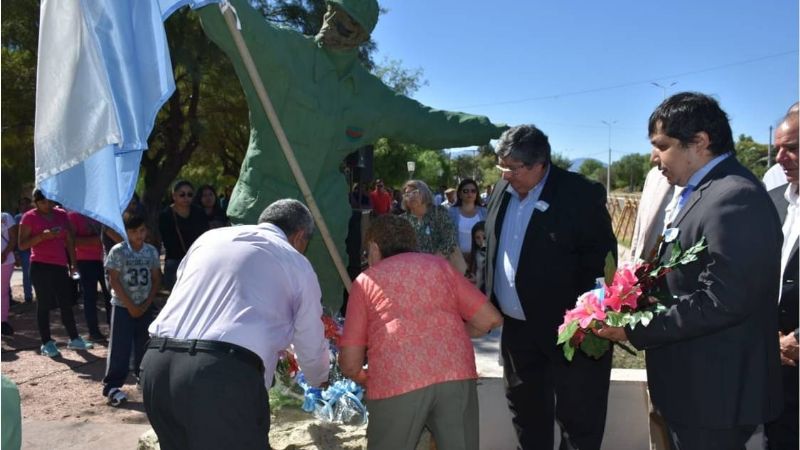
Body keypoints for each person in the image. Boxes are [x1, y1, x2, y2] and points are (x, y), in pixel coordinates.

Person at [197, 0, 505, 310]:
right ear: (326, 11)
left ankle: (325, 353)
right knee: (244, 304)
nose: (344, 26)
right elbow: (230, 19)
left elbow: (427, 122)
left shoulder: (371, 97)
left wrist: (489, 131)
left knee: (321, 306)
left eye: (354, 23)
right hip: (262, 204)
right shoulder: (283, 52)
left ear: (364, 36)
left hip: (321, 216)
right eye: (340, 14)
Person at [596, 92, 783, 450]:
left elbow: (724, 299)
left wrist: (635, 329)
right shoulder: (703, 192)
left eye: (661, 146)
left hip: (716, 396)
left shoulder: (734, 196)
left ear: (699, 142)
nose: (654, 158)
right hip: (694, 390)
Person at [141, 199, 330, 450]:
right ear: (300, 236)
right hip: (221, 376)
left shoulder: (208, 239)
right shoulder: (295, 261)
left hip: (157, 365)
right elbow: (310, 339)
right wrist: (320, 379)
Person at [484, 124, 616, 450]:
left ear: (540, 164)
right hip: (518, 331)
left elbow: (602, 264)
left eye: (512, 168)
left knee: (578, 418)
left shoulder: (580, 194)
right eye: (501, 167)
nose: (504, 176)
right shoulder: (503, 190)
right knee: (526, 413)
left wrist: (588, 318)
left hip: (570, 331)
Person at [339, 215, 502, 450]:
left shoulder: (366, 281)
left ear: (374, 247)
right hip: (455, 373)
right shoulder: (440, 266)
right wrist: (455, 332)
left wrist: (364, 378)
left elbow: (351, 363)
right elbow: (491, 319)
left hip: (396, 379)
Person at [18, 189, 93, 357]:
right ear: (35, 202)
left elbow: (69, 240)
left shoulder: (61, 214)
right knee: (44, 304)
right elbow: (22, 245)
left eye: (50, 202)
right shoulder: (29, 217)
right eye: (43, 202)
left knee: (66, 303)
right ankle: (47, 342)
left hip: (59, 265)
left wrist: (73, 264)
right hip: (39, 265)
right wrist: (41, 237)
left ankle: (74, 339)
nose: (48, 206)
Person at [764, 102, 798, 450]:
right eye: (778, 149)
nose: (781, 158)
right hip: (776, 365)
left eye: (793, 148)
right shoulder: (773, 200)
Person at [102, 211, 161, 407]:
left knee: (144, 343)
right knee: (121, 345)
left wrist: (146, 303)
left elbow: (155, 279)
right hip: (122, 306)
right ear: (125, 232)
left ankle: (142, 377)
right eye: (134, 231)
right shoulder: (118, 251)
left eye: (142, 230)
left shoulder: (151, 251)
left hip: (144, 305)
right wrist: (130, 305)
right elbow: (114, 280)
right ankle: (112, 385)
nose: (139, 235)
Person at [158, 180, 209, 289]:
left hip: (197, 259)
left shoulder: (198, 212)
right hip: (176, 260)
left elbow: (205, 235)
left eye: (190, 194)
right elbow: (168, 242)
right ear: (174, 196)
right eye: (182, 194)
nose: (186, 198)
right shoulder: (166, 215)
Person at [67, 211, 108, 341]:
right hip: (85, 261)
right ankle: (93, 332)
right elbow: (72, 241)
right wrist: (98, 240)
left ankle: (114, 328)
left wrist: (93, 240)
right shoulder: (74, 216)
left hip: (106, 259)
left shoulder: (103, 213)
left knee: (110, 295)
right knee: (90, 297)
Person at [628, 166, 676, 262]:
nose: (653, 157)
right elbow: (641, 224)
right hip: (644, 264)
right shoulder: (654, 175)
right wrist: (633, 259)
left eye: (661, 149)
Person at [400, 180, 458, 258]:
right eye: (407, 194)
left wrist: (432, 262)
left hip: (439, 263)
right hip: (412, 265)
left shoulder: (439, 213)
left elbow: (450, 239)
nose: (411, 196)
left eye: (414, 192)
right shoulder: (402, 221)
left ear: (424, 193)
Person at [448, 178, 487, 265]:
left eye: (473, 191)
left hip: (480, 260)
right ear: (460, 194)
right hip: (457, 260)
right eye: (466, 191)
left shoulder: (484, 212)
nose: (470, 193)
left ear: (477, 194)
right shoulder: (451, 212)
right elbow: (448, 237)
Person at [13, 197, 33, 303]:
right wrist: (16, 251)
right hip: (24, 249)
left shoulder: (34, 215)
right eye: (21, 204)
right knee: (26, 273)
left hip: (34, 246)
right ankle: (28, 295)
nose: (23, 206)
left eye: (25, 204)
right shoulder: (17, 218)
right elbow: (15, 235)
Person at [1, 212, 17, 336]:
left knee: (3, 291)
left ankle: (3, 321)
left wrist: (5, 253)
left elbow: (13, 238)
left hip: (5, 260)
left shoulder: (5, 217)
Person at [468, 221, 487, 292]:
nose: (481, 241)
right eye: (478, 238)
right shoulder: (477, 254)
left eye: (484, 237)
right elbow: (479, 273)